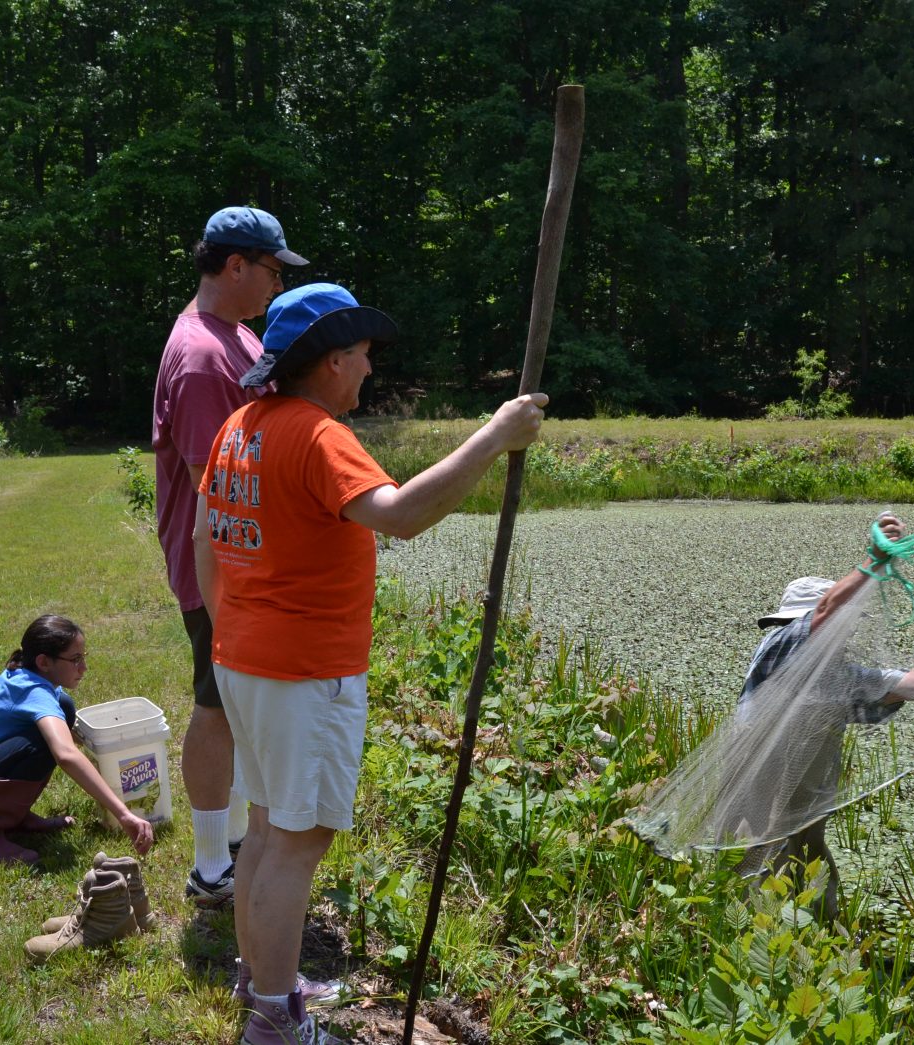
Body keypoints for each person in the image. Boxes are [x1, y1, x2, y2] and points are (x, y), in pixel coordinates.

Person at [193, 283, 548, 1045]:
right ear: (329, 361)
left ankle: (264, 985)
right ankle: (276, 1023)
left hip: (244, 660)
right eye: (361, 357)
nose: (368, 374)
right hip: (302, 671)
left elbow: (202, 537)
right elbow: (403, 514)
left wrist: (234, 628)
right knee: (298, 840)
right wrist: (496, 435)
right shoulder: (321, 436)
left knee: (263, 827)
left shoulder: (239, 425)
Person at [734, 513, 914, 922]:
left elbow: (913, 683)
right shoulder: (782, 647)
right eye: (837, 626)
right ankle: (752, 938)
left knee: (811, 851)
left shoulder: (838, 675)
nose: (844, 633)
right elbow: (827, 611)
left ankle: (825, 935)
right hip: (759, 780)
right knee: (760, 852)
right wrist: (874, 562)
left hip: (806, 791)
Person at [153, 206, 309, 907]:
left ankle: (237, 844)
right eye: (273, 269)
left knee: (236, 705)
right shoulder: (200, 356)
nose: (278, 283)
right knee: (215, 705)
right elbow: (213, 486)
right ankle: (212, 864)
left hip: (246, 564)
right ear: (235, 264)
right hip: (221, 568)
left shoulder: (236, 337)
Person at [0, 615, 155, 865]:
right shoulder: (32, 692)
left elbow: (69, 736)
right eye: (75, 659)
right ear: (43, 661)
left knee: (63, 709)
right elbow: (65, 754)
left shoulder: (31, 677)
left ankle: (15, 817)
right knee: (43, 744)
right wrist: (124, 814)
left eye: (84, 657)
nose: (83, 667)